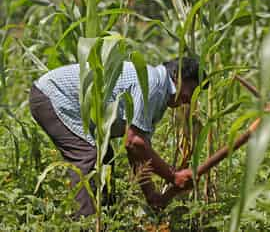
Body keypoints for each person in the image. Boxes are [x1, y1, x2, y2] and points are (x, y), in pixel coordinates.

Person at [29, 57, 206, 217]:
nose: (190, 99)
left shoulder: (157, 92)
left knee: (105, 159)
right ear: (178, 76)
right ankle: (86, 224)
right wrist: (173, 176)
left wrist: (151, 195)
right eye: (192, 90)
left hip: (53, 96)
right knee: (87, 157)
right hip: (53, 95)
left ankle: (105, 217)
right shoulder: (154, 84)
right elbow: (134, 143)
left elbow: (137, 151)